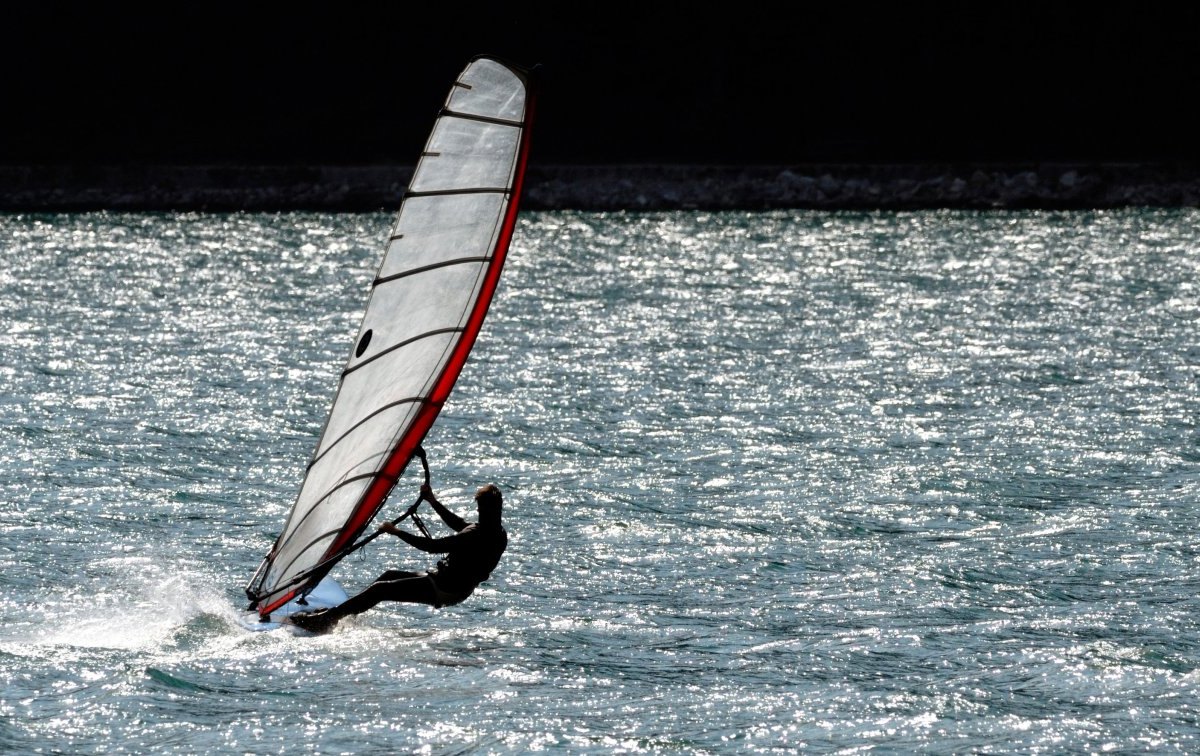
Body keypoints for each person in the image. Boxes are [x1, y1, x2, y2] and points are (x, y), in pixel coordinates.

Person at [287, 482, 508, 634]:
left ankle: (326, 620)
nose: (478, 513)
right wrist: (432, 501)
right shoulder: (497, 532)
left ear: (485, 509)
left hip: (443, 588)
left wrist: (397, 532)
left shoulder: (477, 534)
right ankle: (339, 615)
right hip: (452, 586)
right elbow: (459, 524)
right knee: (389, 576)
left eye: (480, 509)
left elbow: (431, 547)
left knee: (380, 589)